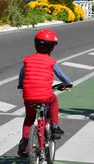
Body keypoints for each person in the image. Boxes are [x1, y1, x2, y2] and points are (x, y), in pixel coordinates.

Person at [17, 29, 72, 157]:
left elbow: (21, 75)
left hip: (28, 96)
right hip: (45, 95)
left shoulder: (28, 60)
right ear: (52, 48)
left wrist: (21, 84)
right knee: (53, 102)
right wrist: (68, 83)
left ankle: (25, 141)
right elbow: (63, 77)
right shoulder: (51, 62)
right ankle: (54, 127)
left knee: (30, 117)